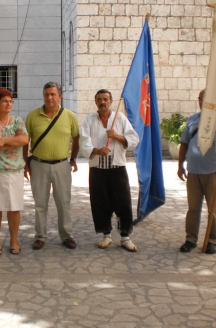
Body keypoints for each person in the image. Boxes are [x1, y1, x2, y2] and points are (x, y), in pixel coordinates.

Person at [79, 89, 140, 252]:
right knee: (100, 202)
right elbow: (84, 142)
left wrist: (118, 136)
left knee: (123, 202)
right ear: (95, 102)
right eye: (99, 99)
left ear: (111, 101)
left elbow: (134, 139)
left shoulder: (119, 118)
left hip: (117, 168)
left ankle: (125, 237)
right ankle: (106, 234)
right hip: (98, 169)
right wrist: (97, 151)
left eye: (105, 99)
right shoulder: (89, 120)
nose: (102, 102)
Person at [23, 82, 80, 250]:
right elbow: (25, 142)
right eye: (47, 94)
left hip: (62, 165)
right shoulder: (33, 116)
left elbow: (76, 138)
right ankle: (40, 236)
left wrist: (73, 159)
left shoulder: (69, 116)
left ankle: (67, 235)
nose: (49, 97)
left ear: (60, 97)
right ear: (43, 96)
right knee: (40, 203)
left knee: (63, 202)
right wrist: (26, 163)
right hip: (38, 165)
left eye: (53, 94)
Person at [0, 89, 29, 255]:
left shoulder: (17, 121)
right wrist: (12, 143)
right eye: (4, 101)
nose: (9, 104)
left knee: (14, 207)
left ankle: (14, 239)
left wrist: (3, 140)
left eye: (10, 101)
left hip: (15, 171)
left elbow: (24, 140)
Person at [178, 89, 216, 254]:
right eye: (200, 98)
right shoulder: (192, 119)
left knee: (213, 208)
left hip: (213, 172)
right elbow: (184, 143)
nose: (202, 101)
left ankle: (212, 241)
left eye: (205, 98)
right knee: (193, 208)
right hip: (193, 172)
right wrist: (180, 165)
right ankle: (190, 239)